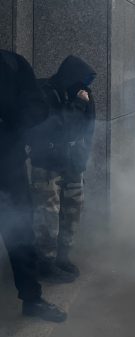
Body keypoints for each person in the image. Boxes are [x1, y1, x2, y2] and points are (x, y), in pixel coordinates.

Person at [0, 50, 67, 321]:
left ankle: (32, 298)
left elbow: (37, 107)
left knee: (20, 232)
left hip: (7, 163)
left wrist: (10, 126)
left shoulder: (11, 63)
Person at [28, 55, 96, 283]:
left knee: (73, 210)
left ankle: (62, 257)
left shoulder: (84, 93)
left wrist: (84, 155)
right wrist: (78, 104)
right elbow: (55, 128)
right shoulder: (46, 91)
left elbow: (89, 126)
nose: (85, 86)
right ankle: (45, 262)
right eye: (82, 80)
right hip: (47, 163)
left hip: (73, 163)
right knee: (47, 214)